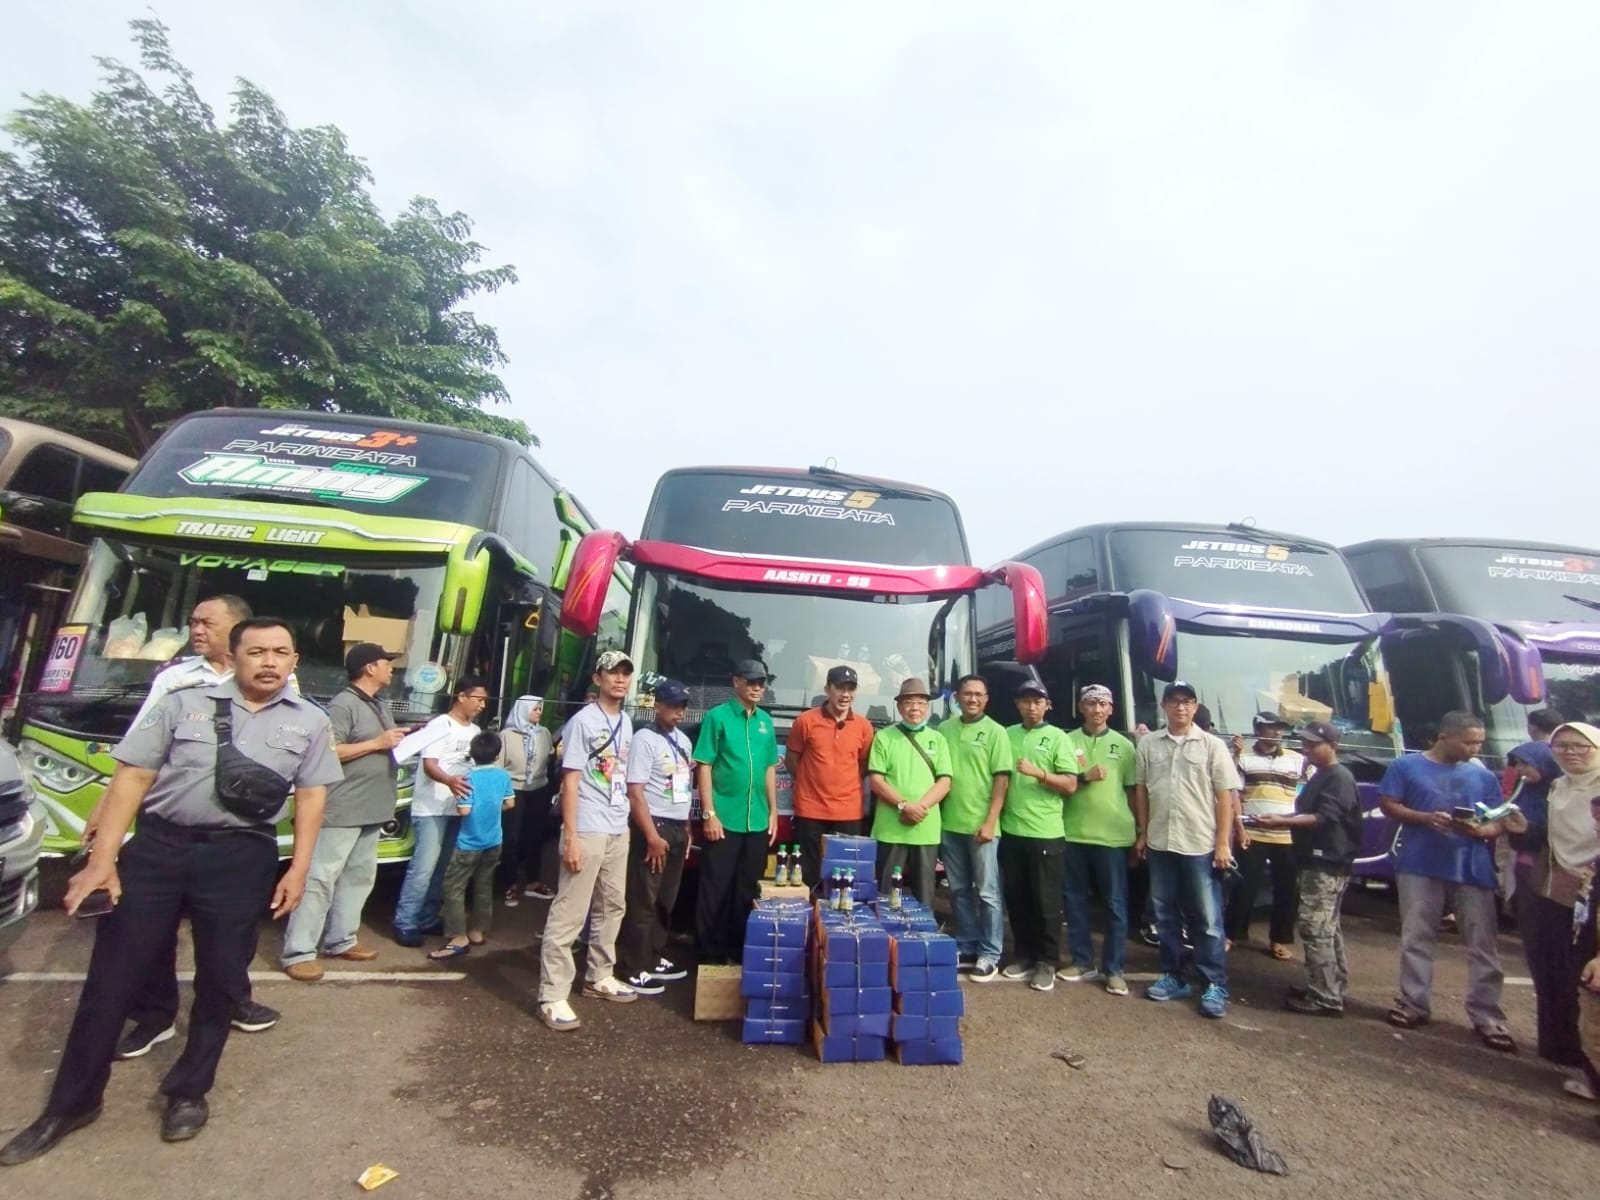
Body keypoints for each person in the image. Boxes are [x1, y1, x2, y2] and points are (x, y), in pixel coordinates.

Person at [0, 618, 341, 1164]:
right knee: (111, 979)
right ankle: (72, 1103)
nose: (270, 662)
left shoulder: (311, 721)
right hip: (157, 850)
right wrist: (103, 861)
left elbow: (311, 797)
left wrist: (298, 869)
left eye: (281, 652)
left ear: (295, 661)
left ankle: (188, 1092)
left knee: (222, 980)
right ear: (235, 656)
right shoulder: (185, 704)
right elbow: (131, 776)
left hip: (241, 856)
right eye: (257, 652)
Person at [101, 594, 282, 1057]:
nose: (196, 630)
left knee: (231, 934)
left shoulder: (279, 680)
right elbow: (136, 752)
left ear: (239, 631)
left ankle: (232, 1000)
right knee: (152, 931)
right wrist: (106, 809)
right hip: (169, 821)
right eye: (193, 622)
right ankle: (155, 1015)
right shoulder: (176, 679)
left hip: (239, 831)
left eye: (207, 623)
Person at [1378, 710, 1516, 1050]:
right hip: (1419, 863)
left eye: (1480, 743)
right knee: (1417, 936)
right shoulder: (1405, 767)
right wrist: (1424, 818)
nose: (1475, 749)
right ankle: (1413, 1003)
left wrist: (1482, 830)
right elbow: (1388, 804)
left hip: (1472, 866)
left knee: (1482, 943)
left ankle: (1488, 1017)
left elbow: (1499, 819)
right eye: (1469, 742)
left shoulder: (1481, 776)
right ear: (1445, 737)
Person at [280, 643, 405, 980]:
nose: (391, 668)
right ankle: (299, 951)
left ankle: (341, 939)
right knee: (321, 878)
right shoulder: (343, 705)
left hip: (371, 807)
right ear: (368, 668)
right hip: (342, 808)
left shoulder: (377, 703)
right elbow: (327, 751)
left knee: (359, 878)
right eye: (385, 663)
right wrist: (376, 744)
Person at [538, 651, 639, 1030]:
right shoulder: (583, 722)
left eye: (626, 674)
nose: (620, 680)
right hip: (588, 825)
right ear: (597, 678)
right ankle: (552, 995)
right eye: (613, 672)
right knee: (570, 911)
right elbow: (571, 780)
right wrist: (572, 834)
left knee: (612, 904)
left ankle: (599, 975)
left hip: (617, 825)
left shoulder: (627, 722)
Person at [1134, 680, 1238, 1019]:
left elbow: (1225, 797)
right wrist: (1142, 833)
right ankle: (1173, 976)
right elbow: (1141, 793)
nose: (1180, 707)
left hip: (1200, 844)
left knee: (1207, 919)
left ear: (1194, 707)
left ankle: (1214, 983)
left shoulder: (1212, 746)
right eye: (1174, 701)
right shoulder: (1148, 745)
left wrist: (1223, 842)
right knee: (1164, 915)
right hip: (1161, 841)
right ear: (1163, 706)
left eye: (1187, 702)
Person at [1509, 723, 1600, 1097]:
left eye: (1581, 746)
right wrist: (1522, 828)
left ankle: (1590, 1066)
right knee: (1555, 969)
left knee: (1587, 975)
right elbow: (1547, 836)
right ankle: (1565, 1050)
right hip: (1556, 884)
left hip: (1592, 886)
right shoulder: (1559, 787)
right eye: (1561, 746)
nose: (1570, 752)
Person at [1250, 721, 1362, 1015]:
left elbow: (1323, 817)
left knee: (1316, 929)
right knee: (1328, 928)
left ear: (1333, 746)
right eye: (1305, 744)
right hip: (1317, 860)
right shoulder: (1323, 774)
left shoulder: (1338, 776)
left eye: (1313, 745)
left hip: (1326, 862)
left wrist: (1281, 821)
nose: (1306, 749)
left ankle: (1325, 997)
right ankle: (1328, 986)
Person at [694, 659, 780, 964]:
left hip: (756, 819)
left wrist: (773, 811)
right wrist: (709, 813)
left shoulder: (765, 722)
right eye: (752, 682)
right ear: (736, 682)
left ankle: (737, 949)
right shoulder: (717, 717)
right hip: (724, 818)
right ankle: (708, 954)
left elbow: (770, 767)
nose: (758, 688)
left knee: (747, 888)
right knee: (715, 888)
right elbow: (704, 764)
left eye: (762, 682)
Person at [392, 677, 488, 947]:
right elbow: (429, 765)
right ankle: (406, 921)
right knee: (422, 868)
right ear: (461, 696)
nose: (482, 705)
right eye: (478, 699)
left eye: (484, 701)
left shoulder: (475, 731)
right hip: (431, 808)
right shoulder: (439, 725)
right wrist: (450, 781)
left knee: (443, 867)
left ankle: (427, 917)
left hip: (457, 809)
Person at [999, 679, 1078, 993]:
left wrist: (1039, 773)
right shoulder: (1006, 734)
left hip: (1046, 832)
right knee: (1017, 899)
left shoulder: (1058, 737)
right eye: (1025, 700)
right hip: (1011, 829)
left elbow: (1071, 784)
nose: (1031, 706)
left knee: (1046, 902)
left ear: (1047, 705)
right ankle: (1023, 955)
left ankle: (1047, 961)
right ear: (1017, 704)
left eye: (1037, 701)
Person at [1059, 684, 1139, 996]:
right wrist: (1083, 777)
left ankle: (1114, 968)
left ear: (1111, 709)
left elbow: (1134, 791)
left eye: (1103, 704)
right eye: (1091, 703)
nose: (1097, 709)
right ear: (1081, 707)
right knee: (1074, 899)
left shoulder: (1125, 746)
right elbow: (1060, 783)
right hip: (1072, 832)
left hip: (1113, 836)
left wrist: (1140, 833)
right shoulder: (1066, 741)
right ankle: (1081, 960)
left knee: (1115, 904)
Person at [620, 680, 695, 993]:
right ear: (657, 706)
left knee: (666, 897)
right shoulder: (644, 739)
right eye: (673, 706)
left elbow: (684, 790)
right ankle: (632, 965)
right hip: (654, 826)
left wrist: (688, 828)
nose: (678, 713)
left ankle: (654, 954)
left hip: (678, 827)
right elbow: (635, 791)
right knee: (643, 898)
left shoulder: (684, 742)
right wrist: (650, 834)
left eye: (682, 707)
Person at [938, 674, 1013, 982]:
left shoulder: (996, 732)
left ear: (986, 699)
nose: (972, 699)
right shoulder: (944, 729)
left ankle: (990, 951)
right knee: (957, 890)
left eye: (978, 695)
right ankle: (967, 943)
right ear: (957, 697)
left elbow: (1002, 780)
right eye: (967, 694)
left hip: (982, 827)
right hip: (950, 825)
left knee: (987, 892)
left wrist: (990, 821)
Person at [866, 677, 952, 908]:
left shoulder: (938, 739)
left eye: (921, 702)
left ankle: (922, 940)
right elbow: (876, 780)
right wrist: (904, 805)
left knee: (925, 896)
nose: (915, 708)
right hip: (891, 828)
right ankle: (887, 942)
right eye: (909, 702)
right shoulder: (884, 738)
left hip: (926, 827)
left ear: (928, 706)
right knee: (886, 894)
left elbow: (944, 781)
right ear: (899, 707)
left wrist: (919, 807)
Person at [786, 665, 874, 888]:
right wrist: (812, 781)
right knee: (809, 873)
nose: (845, 694)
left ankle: (838, 921)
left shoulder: (864, 727)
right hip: (810, 809)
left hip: (848, 811)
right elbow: (792, 760)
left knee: (845, 875)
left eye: (851, 688)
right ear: (827, 689)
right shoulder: (805, 721)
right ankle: (813, 919)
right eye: (840, 688)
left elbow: (862, 765)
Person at [1226, 712, 1306, 959]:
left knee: (1287, 890)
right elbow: (1233, 795)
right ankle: (1231, 934)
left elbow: (1309, 792)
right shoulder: (1245, 758)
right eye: (1271, 728)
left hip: (1287, 835)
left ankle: (1279, 940)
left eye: (1279, 728)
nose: (1277, 733)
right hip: (1252, 832)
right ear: (1258, 728)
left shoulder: (1298, 760)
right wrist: (1239, 829)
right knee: (1243, 887)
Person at [429, 732, 515, 960]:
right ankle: (478, 931)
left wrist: (458, 803)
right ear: (497, 754)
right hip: (494, 840)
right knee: (484, 885)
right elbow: (510, 803)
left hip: (468, 843)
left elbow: (465, 810)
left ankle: (458, 936)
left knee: (453, 886)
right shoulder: (502, 776)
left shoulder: (466, 778)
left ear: (472, 755)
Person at [497, 695, 556, 906]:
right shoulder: (506, 735)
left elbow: (549, 759)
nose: (539, 712)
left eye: (540, 708)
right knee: (511, 837)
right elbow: (499, 765)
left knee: (535, 836)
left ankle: (533, 881)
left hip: (538, 789)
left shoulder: (544, 733)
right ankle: (510, 884)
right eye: (535, 708)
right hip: (514, 789)